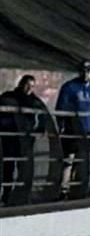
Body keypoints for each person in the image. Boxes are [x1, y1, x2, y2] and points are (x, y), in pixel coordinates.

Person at [55, 60, 90, 195]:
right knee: (69, 159)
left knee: (81, 160)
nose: (86, 74)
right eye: (84, 71)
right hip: (72, 129)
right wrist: (61, 125)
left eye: (89, 71)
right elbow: (61, 108)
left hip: (89, 129)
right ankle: (64, 188)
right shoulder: (70, 87)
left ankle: (76, 187)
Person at [0, 75, 46, 205]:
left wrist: (40, 128)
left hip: (25, 138)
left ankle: (20, 194)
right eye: (27, 85)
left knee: (23, 167)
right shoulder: (9, 96)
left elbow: (42, 115)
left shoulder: (33, 100)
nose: (29, 89)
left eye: (32, 86)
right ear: (21, 84)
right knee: (8, 166)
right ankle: (7, 194)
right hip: (10, 136)